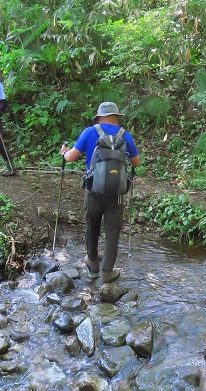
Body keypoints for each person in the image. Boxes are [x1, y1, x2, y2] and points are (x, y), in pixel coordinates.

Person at [60, 101, 140, 283]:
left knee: (92, 225)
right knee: (113, 230)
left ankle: (93, 263)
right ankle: (107, 273)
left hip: (93, 190)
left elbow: (71, 157)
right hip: (117, 194)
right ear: (116, 118)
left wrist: (64, 153)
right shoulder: (124, 135)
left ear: (99, 117)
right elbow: (136, 163)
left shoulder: (90, 132)